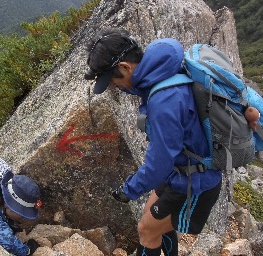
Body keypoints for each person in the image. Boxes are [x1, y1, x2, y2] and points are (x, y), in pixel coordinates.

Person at [84, 28, 222, 256]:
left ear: (126, 67)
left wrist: (128, 190)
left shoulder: (164, 101)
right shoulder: (162, 70)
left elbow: (159, 163)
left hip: (196, 180)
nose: (115, 87)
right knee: (149, 218)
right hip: (180, 172)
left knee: (147, 230)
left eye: (113, 81)